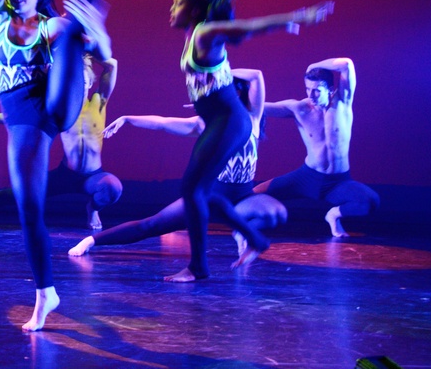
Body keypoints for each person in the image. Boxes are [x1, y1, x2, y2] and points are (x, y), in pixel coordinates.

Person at [0, 0, 115, 331]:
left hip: (52, 111)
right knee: (29, 211)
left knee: (73, 29)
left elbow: (105, 56)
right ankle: (47, 293)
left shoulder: (48, 25)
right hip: (24, 122)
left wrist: (99, 33)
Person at [166, 0, 334, 282]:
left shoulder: (205, 32)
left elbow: (249, 26)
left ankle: (198, 268)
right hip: (222, 121)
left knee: (193, 191)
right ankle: (254, 239)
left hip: (229, 122)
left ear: (194, 11)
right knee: (199, 192)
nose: (171, 9)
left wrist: (297, 17)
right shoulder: (193, 36)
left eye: (177, 4)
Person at [68, 69, 287, 263]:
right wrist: (128, 118)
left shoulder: (252, 118)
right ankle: (91, 241)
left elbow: (256, 75)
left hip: (243, 198)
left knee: (276, 213)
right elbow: (163, 123)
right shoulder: (205, 124)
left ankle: (241, 231)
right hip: (209, 196)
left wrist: (218, 74)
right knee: (151, 225)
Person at [0, 53, 121, 230]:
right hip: (65, 175)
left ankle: (93, 209)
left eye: (83, 82)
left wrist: (82, 51)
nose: (79, 86)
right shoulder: (61, 111)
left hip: (93, 176)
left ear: (90, 82)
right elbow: (18, 118)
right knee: (16, 193)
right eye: (74, 83)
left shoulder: (99, 102)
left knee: (112, 187)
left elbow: (112, 65)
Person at [253, 58, 379, 237]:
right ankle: (245, 228)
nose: (311, 95)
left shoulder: (342, 103)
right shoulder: (299, 108)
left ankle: (333, 215)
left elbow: (346, 65)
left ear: (331, 90)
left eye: (317, 90)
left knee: (370, 201)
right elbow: (259, 107)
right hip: (306, 178)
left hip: (337, 182)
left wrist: (314, 66)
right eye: (307, 89)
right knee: (252, 194)